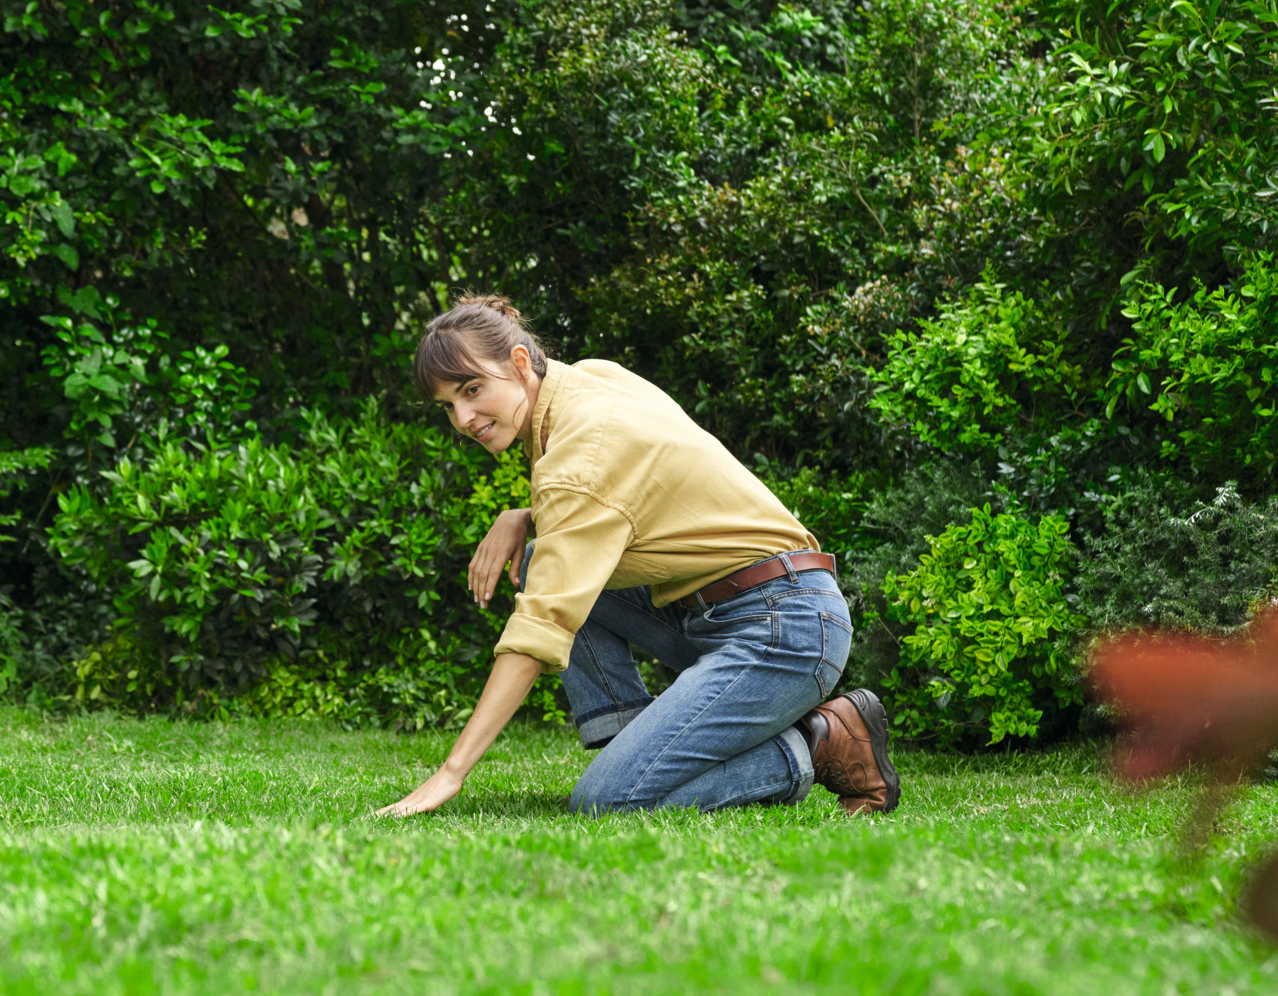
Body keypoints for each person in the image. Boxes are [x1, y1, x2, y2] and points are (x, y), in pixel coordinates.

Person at [376, 295, 900, 818]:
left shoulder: (579, 452)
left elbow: (541, 626)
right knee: (543, 558)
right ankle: (633, 747)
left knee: (605, 802)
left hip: (786, 629)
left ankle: (819, 740)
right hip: (730, 611)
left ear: (518, 363)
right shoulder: (592, 379)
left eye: (472, 389)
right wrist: (525, 515)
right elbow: (630, 493)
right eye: (448, 405)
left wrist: (451, 773)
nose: (464, 417)